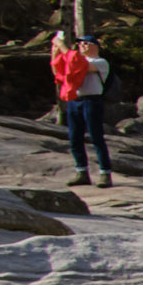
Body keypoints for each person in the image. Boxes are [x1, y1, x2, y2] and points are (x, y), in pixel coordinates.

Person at [50, 30, 113, 188]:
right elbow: (59, 71)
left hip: (92, 100)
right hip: (75, 100)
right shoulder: (75, 59)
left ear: (95, 46)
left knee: (96, 137)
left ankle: (105, 173)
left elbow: (79, 65)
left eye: (86, 43)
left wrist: (62, 46)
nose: (82, 45)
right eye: (80, 43)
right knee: (74, 137)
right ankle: (81, 171)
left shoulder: (100, 62)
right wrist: (55, 52)